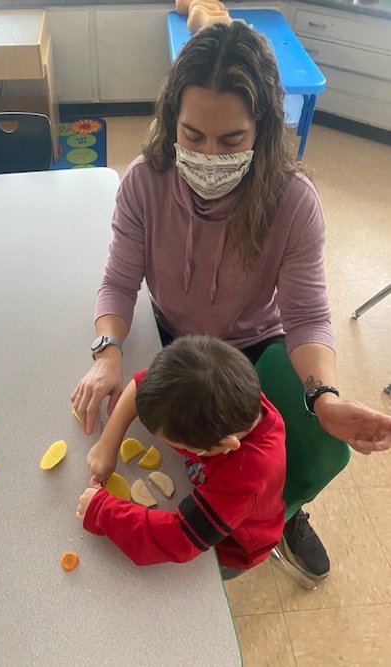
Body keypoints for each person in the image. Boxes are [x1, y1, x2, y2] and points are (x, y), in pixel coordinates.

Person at [71, 22, 391, 580]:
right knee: (191, 448)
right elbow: (119, 279)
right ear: (171, 119)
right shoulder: (145, 182)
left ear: (262, 131)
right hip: (175, 337)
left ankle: (281, 514)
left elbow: (309, 314)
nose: (207, 156)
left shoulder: (292, 201)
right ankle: (240, 500)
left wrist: (324, 392)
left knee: (278, 455)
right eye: (192, 136)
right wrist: (108, 350)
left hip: (255, 348)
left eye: (230, 141)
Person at [77, 335, 287, 577]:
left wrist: (102, 510)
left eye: (173, 443)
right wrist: (107, 444)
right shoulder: (226, 394)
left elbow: (179, 539)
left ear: (226, 444)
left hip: (231, 542)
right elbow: (141, 384)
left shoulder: (246, 477)